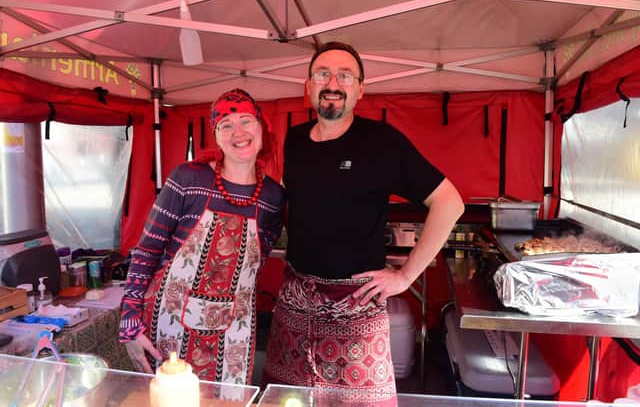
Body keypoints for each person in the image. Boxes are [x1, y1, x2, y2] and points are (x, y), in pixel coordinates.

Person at [262, 42, 465, 401]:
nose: (333, 83)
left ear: (360, 89)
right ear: (308, 86)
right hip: (295, 303)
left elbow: (449, 203)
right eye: (323, 74)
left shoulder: (383, 142)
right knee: (287, 400)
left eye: (345, 75)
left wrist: (405, 276)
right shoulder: (293, 140)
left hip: (356, 308)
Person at [119, 88, 285, 384]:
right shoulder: (188, 179)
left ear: (261, 127)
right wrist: (130, 323)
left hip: (234, 331)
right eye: (226, 125)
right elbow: (146, 252)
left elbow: (256, 265)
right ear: (217, 136)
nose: (239, 132)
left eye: (246, 121)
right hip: (169, 329)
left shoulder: (273, 197)